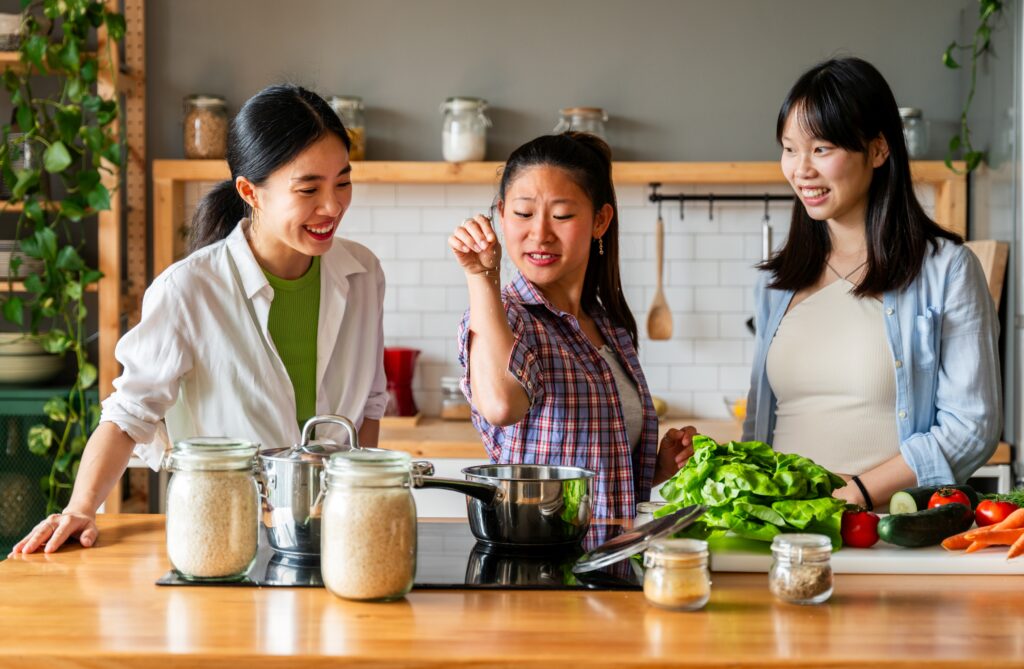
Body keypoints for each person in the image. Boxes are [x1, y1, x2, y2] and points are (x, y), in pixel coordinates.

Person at [11, 84, 387, 555]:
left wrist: (365, 497)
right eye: (309, 188)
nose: (332, 207)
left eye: (343, 182)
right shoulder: (188, 289)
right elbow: (130, 414)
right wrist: (80, 509)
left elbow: (369, 405)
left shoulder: (362, 273)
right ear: (251, 191)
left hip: (335, 537)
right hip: (222, 535)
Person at [742, 57, 1001, 510]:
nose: (801, 169)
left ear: (878, 150)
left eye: (821, 148)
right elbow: (759, 430)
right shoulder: (775, 286)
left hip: (887, 532)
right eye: (789, 148)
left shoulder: (947, 270)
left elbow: (971, 427)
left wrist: (857, 493)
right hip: (783, 535)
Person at [448, 132, 693, 520]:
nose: (540, 233)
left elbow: (601, 476)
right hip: (541, 571)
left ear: (600, 221)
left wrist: (659, 467)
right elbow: (500, 406)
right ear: (500, 214)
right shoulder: (506, 315)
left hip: (611, 567)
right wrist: (481, 275)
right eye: (523, 214)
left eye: (561, 215)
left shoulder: (609, 327)